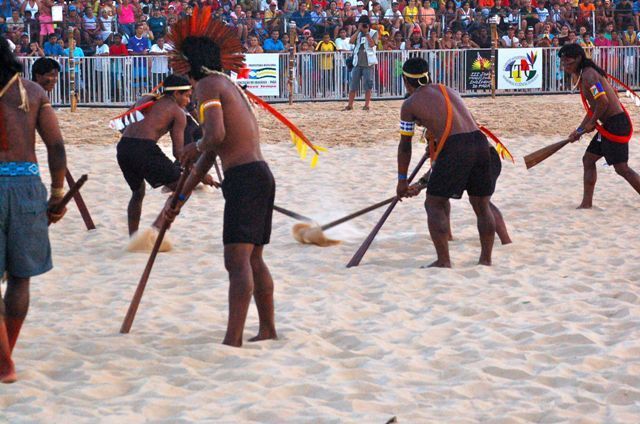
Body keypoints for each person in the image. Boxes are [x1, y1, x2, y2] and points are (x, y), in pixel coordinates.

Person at [163, 15, 277, 348]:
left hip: (245, 179)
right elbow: (208, 158)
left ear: (188, 64)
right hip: (258, 176)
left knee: (237, 260)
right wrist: (178, 202)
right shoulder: (228, 86)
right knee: (253, 258)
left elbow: (214, 137)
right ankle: (267, 329)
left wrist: (192, 145)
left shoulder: (208, 87)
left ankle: (233, 338)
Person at [0, 36, 68, 383]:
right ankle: (7, 355)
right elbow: (55, 145)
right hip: (26, 184)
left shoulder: (35, 93)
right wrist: (57, 193)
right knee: (21, 276)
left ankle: (4, 361)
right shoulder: (32, 93)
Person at [396, 57, 502, 267]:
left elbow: (405, 145)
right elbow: (455, 123)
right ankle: (485, 260)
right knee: (482, 205)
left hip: (457, 146)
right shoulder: (448, 90)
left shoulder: (409, 104)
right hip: (481, 143)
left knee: (434, 203)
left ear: (405, 80)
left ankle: (443, 261)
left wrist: (402, 180)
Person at [559, 44, 640, 209]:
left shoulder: (589, 76)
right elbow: (593, 108)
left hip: (616, 124)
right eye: (563, 63)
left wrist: (591, 124)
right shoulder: (585, 74)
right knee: (588, 160)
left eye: (568, 62)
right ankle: (586, 203)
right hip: (609, 124)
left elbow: (603, 102)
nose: (565, 66)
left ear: (579, 59)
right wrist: (580, 130)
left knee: (621, 168)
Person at [115, 75, 192, 236]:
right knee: (183, 187)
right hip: (144, 149)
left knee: (138, 192)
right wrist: (197, 173)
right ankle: (156, 231)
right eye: (187, 95)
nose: (188, 101)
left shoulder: (146, 99)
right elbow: (178, 153)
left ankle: (133, 237)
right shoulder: (177, 112)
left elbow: (123, 125)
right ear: (176, 93)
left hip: (123, 147)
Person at [344, 15, 377, 111]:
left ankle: (366, 105)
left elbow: (372, 44)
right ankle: (350, 105)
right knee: (353, 84)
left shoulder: (373, 32)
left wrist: (367, 33)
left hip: (368, 62)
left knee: (368, 84)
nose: (362, 26)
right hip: (357, 62)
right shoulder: (358, 33)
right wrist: (358, 30)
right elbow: (350, 41)